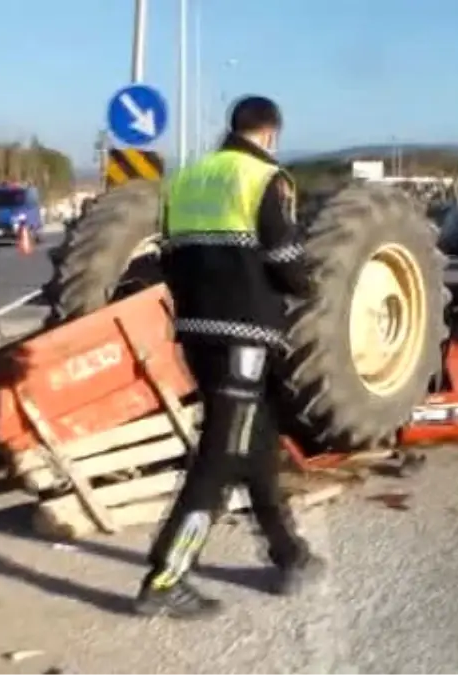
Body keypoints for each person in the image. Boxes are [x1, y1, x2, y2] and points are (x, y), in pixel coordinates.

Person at [134, 96, 325, 620]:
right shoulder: (265, 178)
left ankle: (289, 555)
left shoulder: (188, 180)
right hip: (245, 336)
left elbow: (167, 257)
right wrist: (312, 285)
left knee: (256, 440)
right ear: (271, 134)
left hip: (197, 332)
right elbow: (285, 258)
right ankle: (165, 577)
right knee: (220, 456)